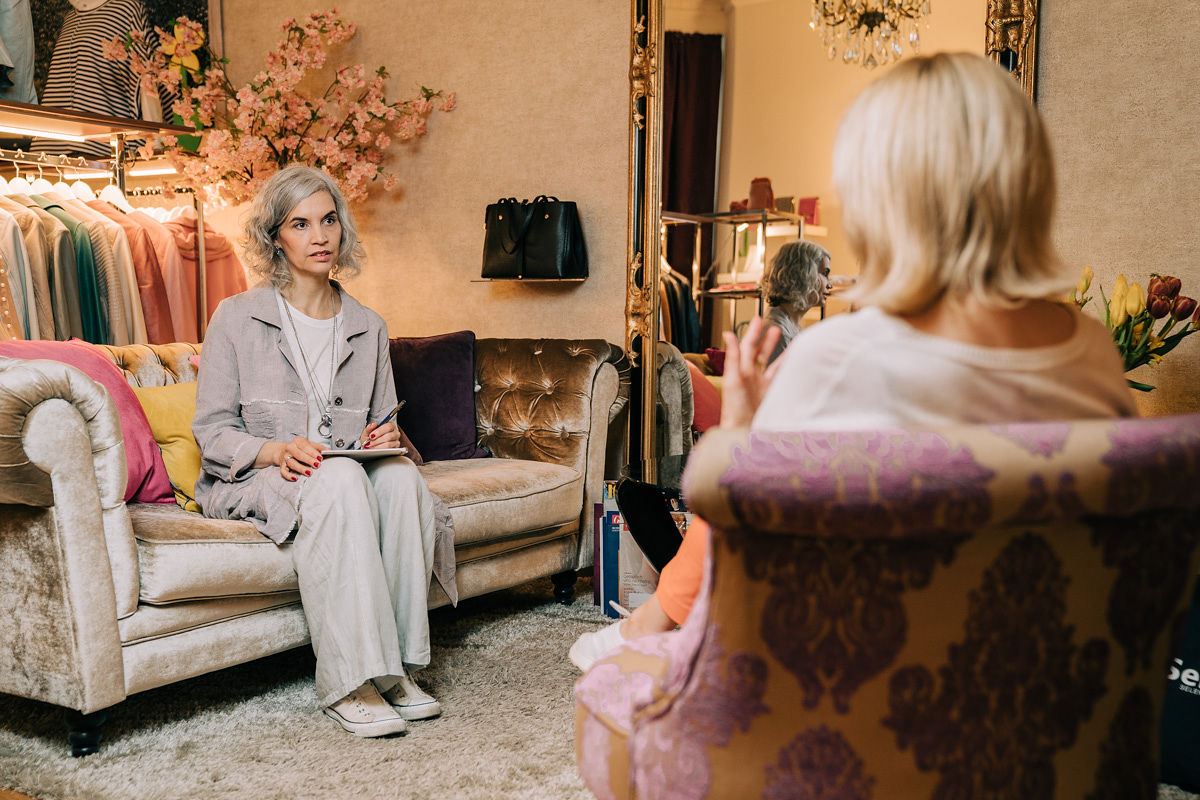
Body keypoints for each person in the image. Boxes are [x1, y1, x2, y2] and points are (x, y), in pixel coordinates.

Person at [570, 52, 1136, 671]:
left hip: (869, 683)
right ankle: (660, 626)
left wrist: (739, 434)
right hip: (1041, 677)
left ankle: (651, 627)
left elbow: (730, 510)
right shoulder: (1092, 350)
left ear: (879, 199)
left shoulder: (835, 357)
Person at [193, 165, 443, 737]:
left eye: (328, 220)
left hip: (340, 472)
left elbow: (386, 423)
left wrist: (387, 439)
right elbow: (212, 433)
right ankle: (350, 681)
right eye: (300, 224)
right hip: (260, 475)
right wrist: (275, 451)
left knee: (401, 479)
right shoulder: (237, 317)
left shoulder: (368, 325)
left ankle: (396, 671)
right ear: (275, 237)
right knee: (340, 480)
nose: (320, 236)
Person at [760, 240, 832, 365]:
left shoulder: (789, 326)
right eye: (824, 273)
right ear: (803, 274)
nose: (830, 285)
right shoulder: (779, 335)